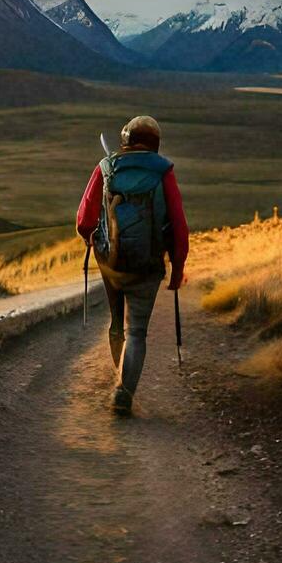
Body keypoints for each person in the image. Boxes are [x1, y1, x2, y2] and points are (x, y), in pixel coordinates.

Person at [75, 115, 189, 415]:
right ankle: (123, 392)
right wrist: (177, 269)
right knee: (137, 330)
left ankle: (119, 374)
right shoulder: (164, 171)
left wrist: (91, 239)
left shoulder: (106, 167)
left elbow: (84, 218)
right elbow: (178, 224)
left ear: (126, 138)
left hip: (111, 263)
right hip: (148, 263)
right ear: (155, 143)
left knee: (117, 323)